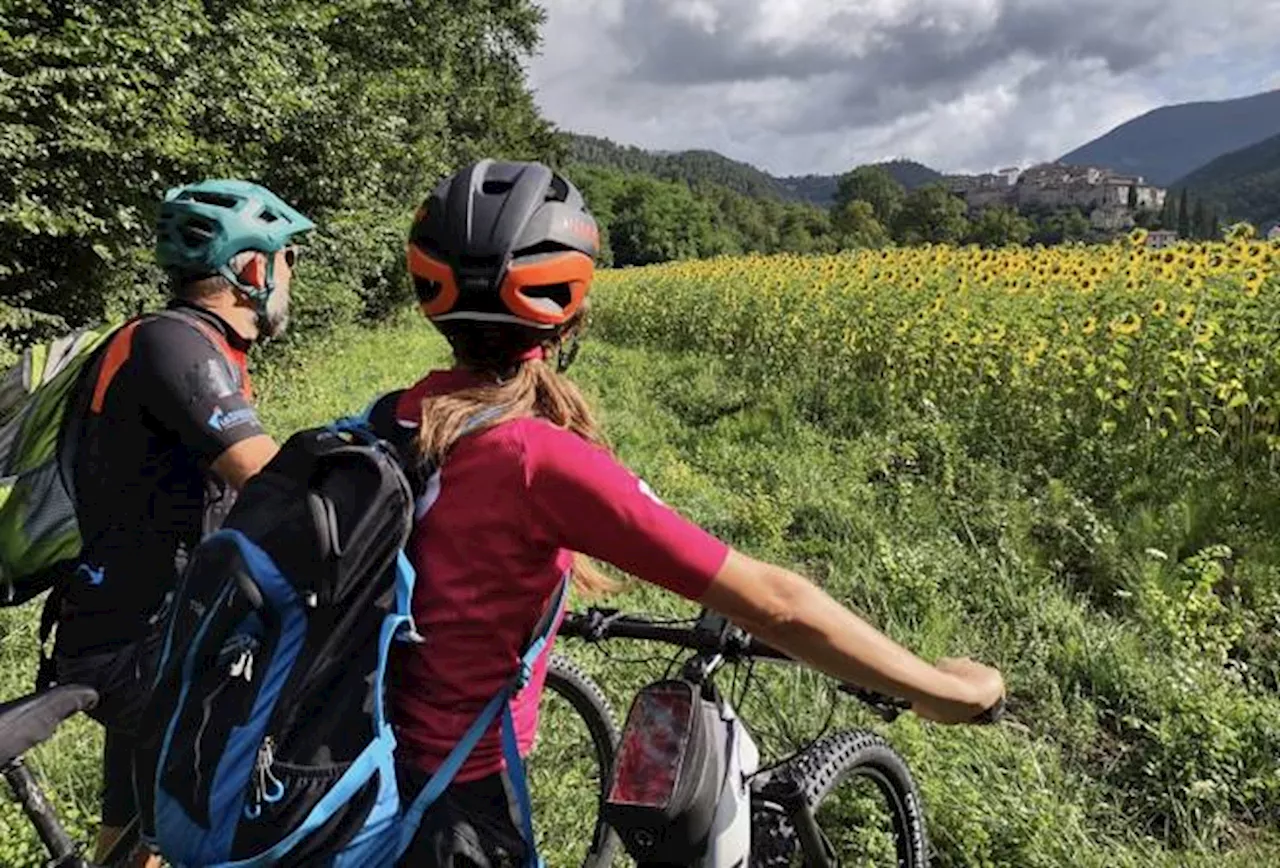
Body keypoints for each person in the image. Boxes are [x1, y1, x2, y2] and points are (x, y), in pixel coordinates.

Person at [388, 159, 1006, 867]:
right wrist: (944, 692)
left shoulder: (382, 424)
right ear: (571, 307)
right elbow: (777, 605)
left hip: (350, 771)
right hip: (458, 806)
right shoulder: (535, 458)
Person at [46, 179, 313, 867]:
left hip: (138, 622)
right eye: (286, 260)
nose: (290, 277)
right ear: (252, 270)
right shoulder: (176, 345)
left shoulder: (175, 342)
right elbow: (267, 478)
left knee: (131, 830)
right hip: (145, 642)